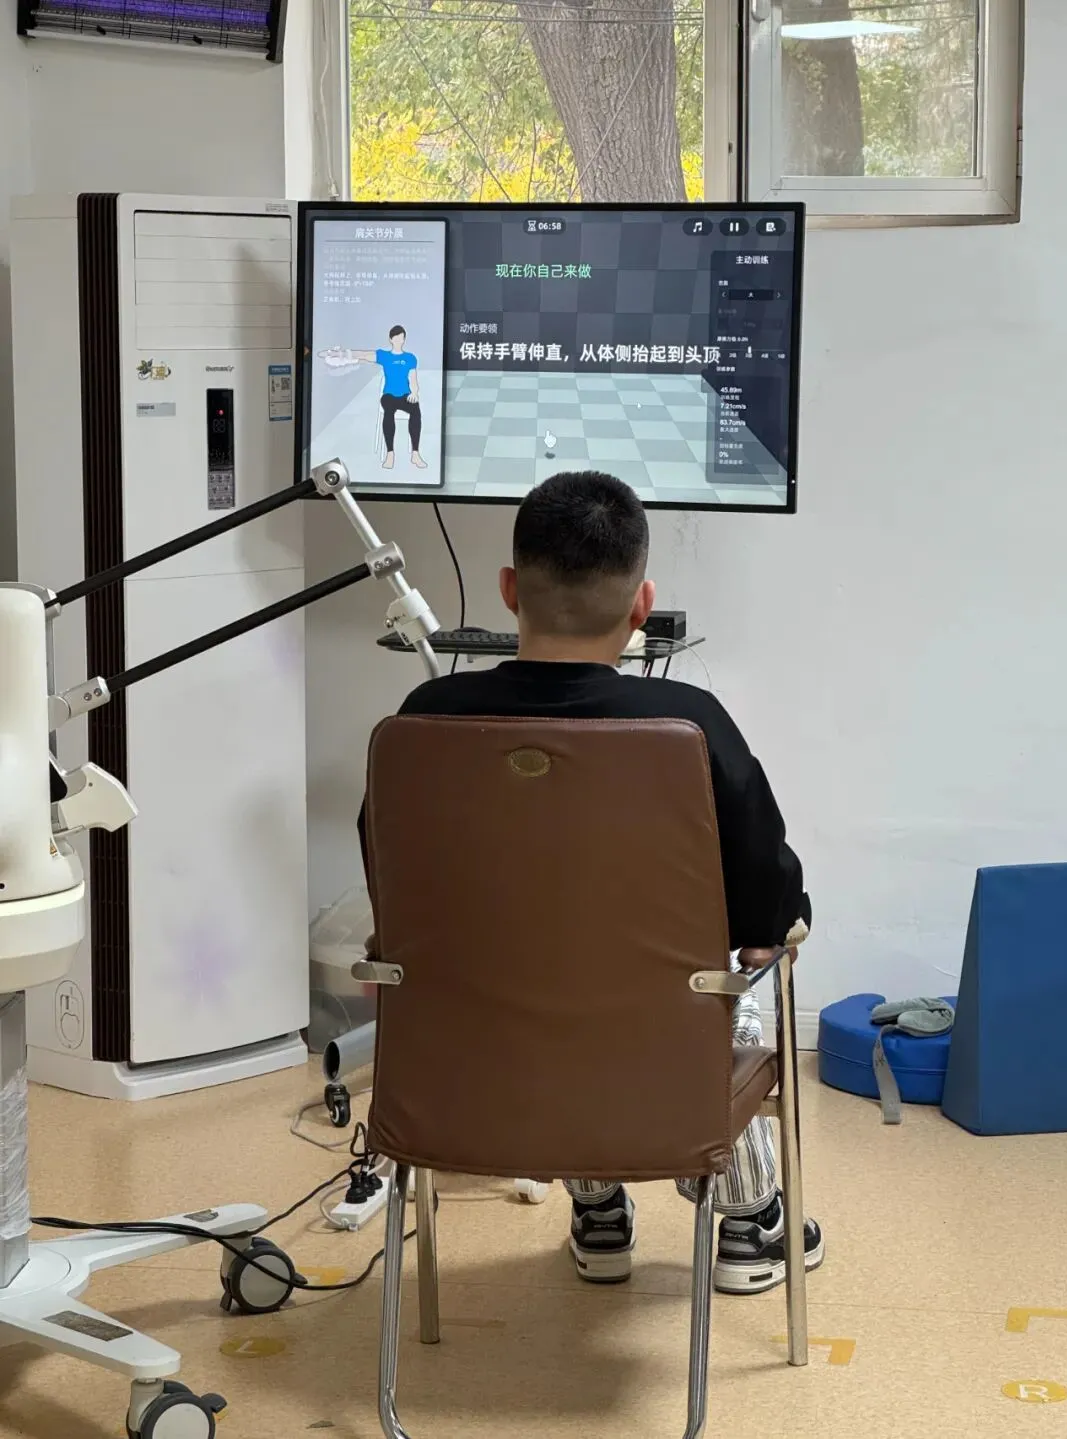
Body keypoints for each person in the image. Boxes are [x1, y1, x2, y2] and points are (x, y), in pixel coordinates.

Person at [357, 471, 823, 1296]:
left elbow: (389, 890)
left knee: (544, 975)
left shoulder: (423, 719)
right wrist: (780, 925)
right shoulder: (689, 725)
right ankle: (751, 1224)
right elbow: (769, 910)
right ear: (642, 605)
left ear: (509, 590)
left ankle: (599, 1205)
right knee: (728, 988)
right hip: (650, 1077)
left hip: (465, 1078)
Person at [320, 325, 427, 471]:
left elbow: (413, 379)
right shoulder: (384, 356)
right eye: (396, 338)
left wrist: (414, 393)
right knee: (388, 412)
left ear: (404, 340)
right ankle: (390, 454)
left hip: (405, 395)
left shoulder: (410, 358)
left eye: (401, 338)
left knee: (416, 411)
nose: (399, 341)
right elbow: (363, 355)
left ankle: (415, 453)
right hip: (389, 395)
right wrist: (341, 354)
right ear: (391, 339)